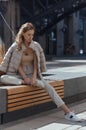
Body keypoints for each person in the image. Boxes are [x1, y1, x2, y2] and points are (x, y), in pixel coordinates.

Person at [0, 22, 81, 122]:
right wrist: (25, 79)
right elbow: (16, 64)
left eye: (32, 34)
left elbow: (36, 64)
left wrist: (34, 77)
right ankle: (27, 83)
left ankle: (68, 113)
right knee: (3, 78)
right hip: (19, 75)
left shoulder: (35, 46)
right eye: (29, 34)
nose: (31, 37)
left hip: (33, 74)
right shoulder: (16, 46)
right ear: (23, 33)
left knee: (49, 88)